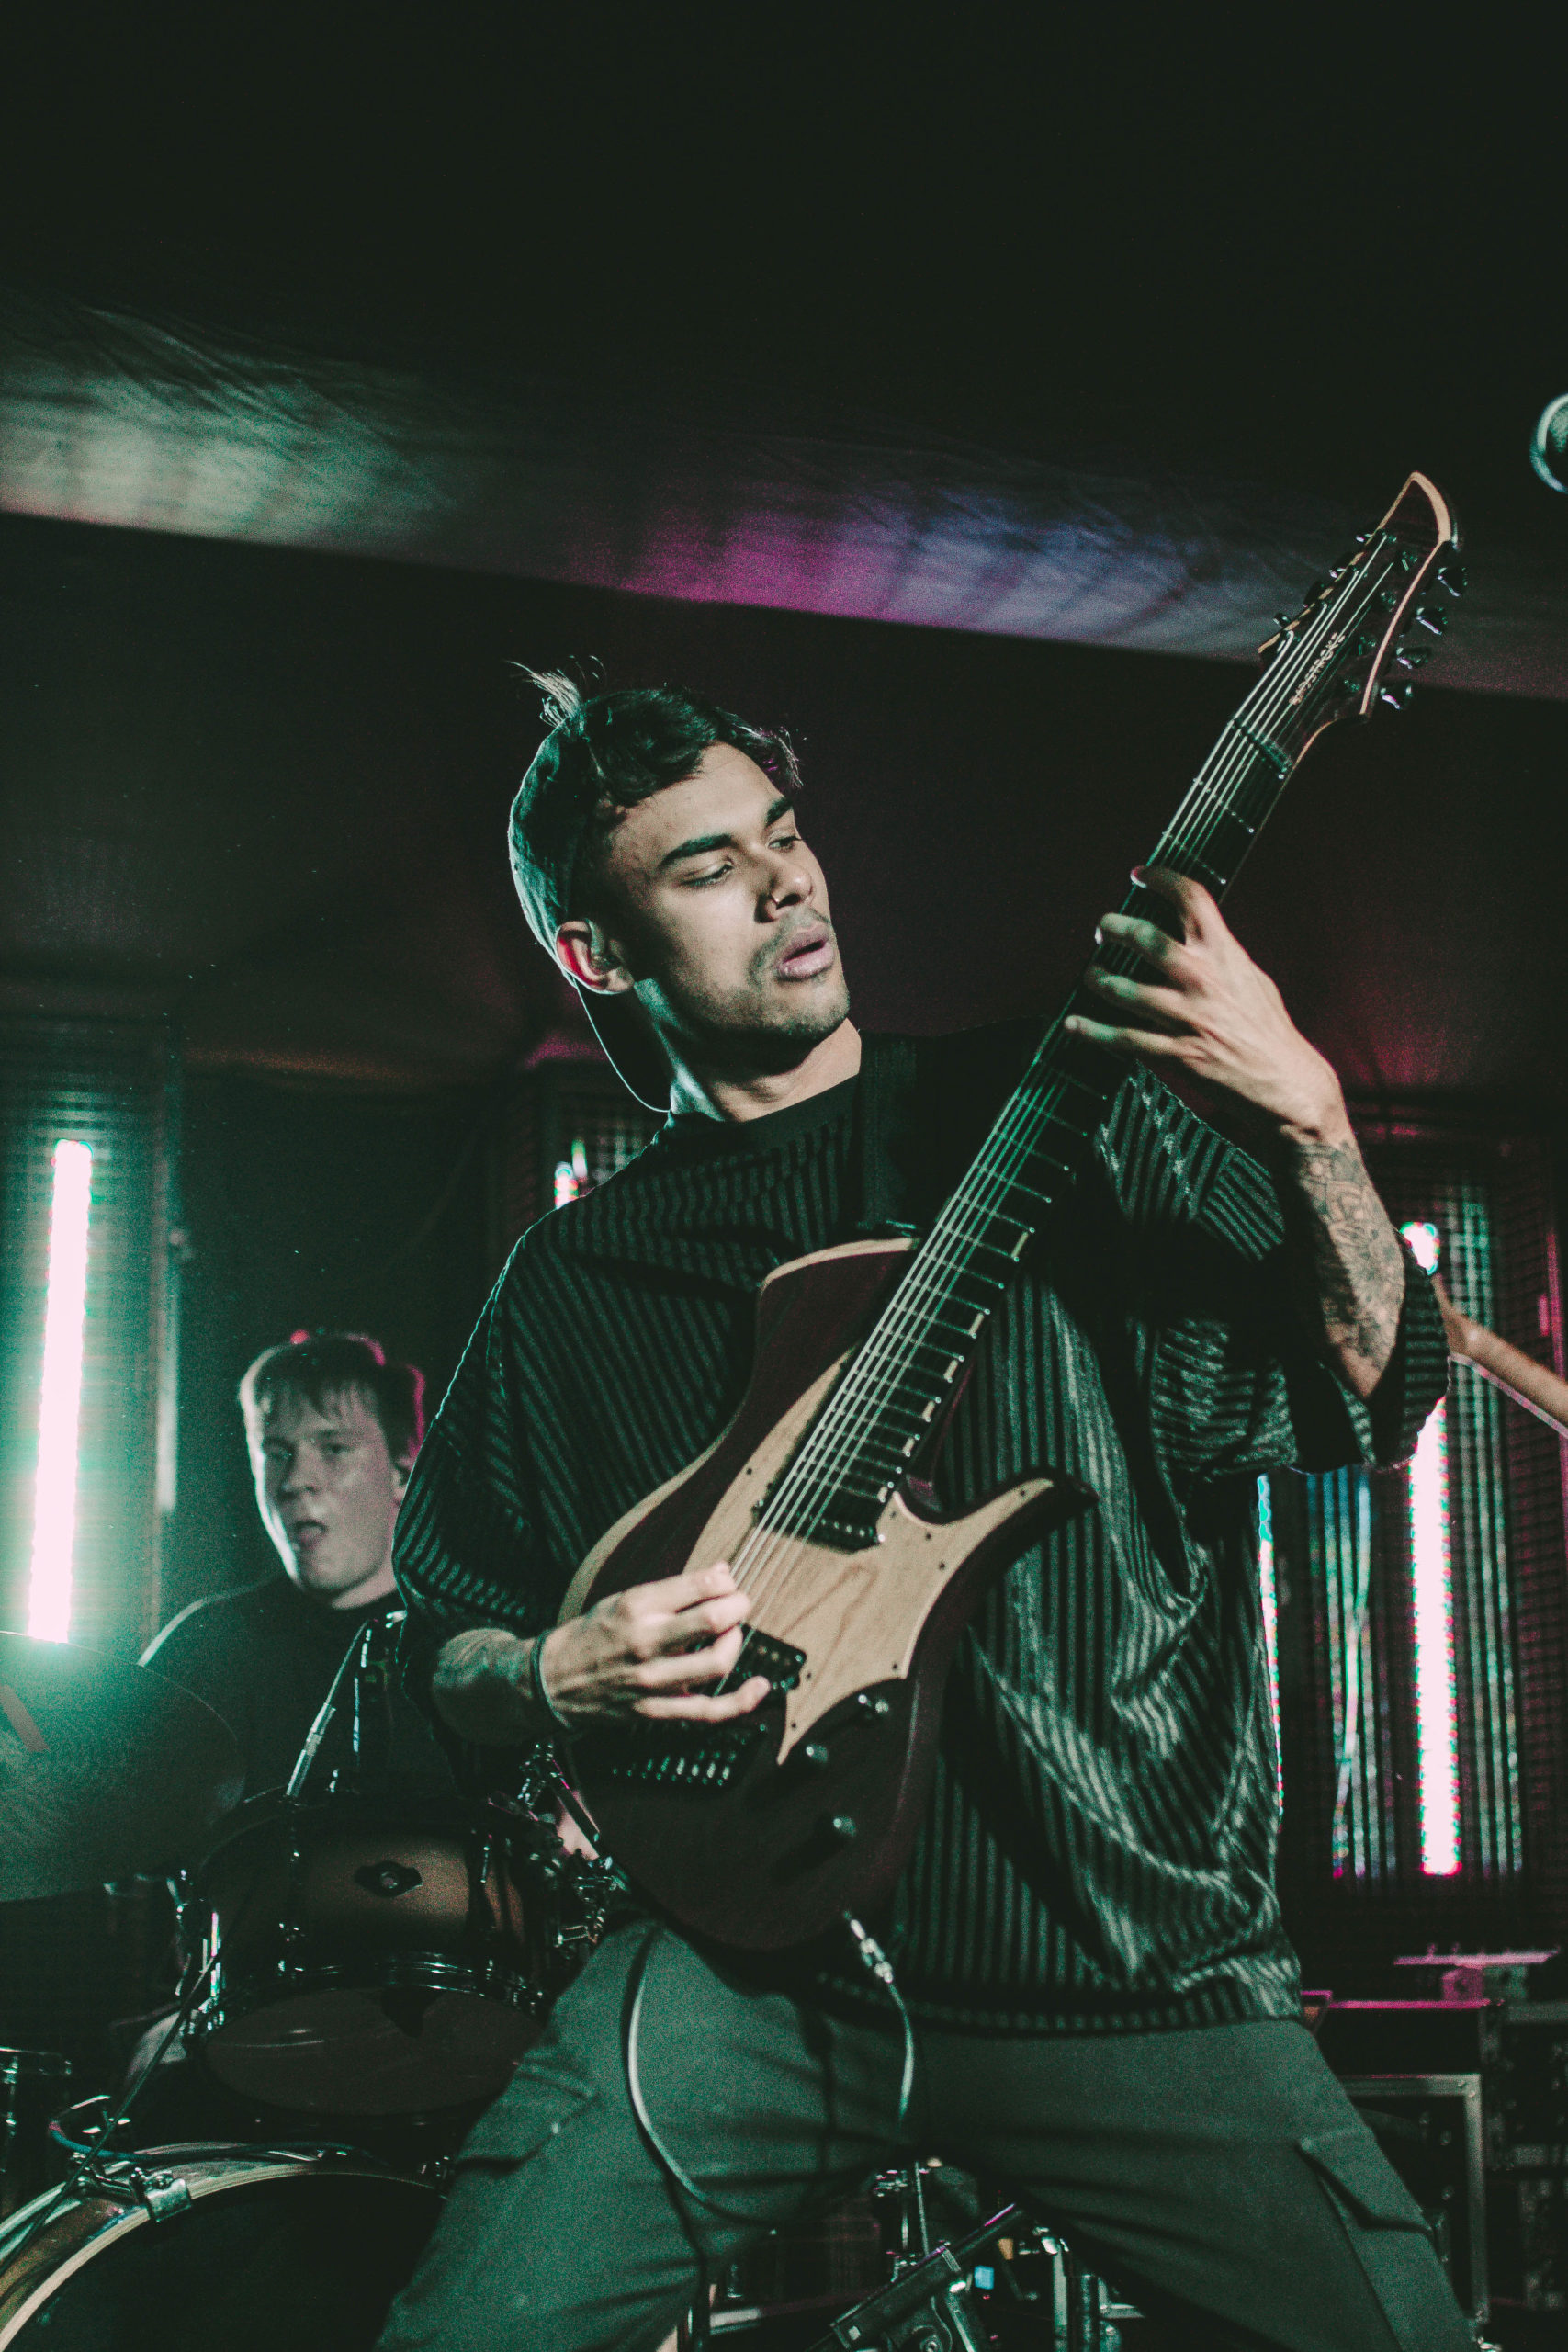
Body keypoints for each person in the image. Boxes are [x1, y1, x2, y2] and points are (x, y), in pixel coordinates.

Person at [378, 680, 1468, 2352]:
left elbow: (1375, 1397)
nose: (784, 884)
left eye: (784, 834)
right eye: (706, 868)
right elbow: (438, 1640)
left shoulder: (1062, 1116)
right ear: (596, 954)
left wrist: (1308, 1111)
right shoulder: (571, 1284)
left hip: (1125, 1961)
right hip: (750, 1977)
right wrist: (546, 1672)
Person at [145, 1329, 455, 1802]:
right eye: (276, 1453)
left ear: (403, 1472)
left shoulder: (473, 1646)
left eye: (334, 1448)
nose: (295, 1480)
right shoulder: (205, 1647)